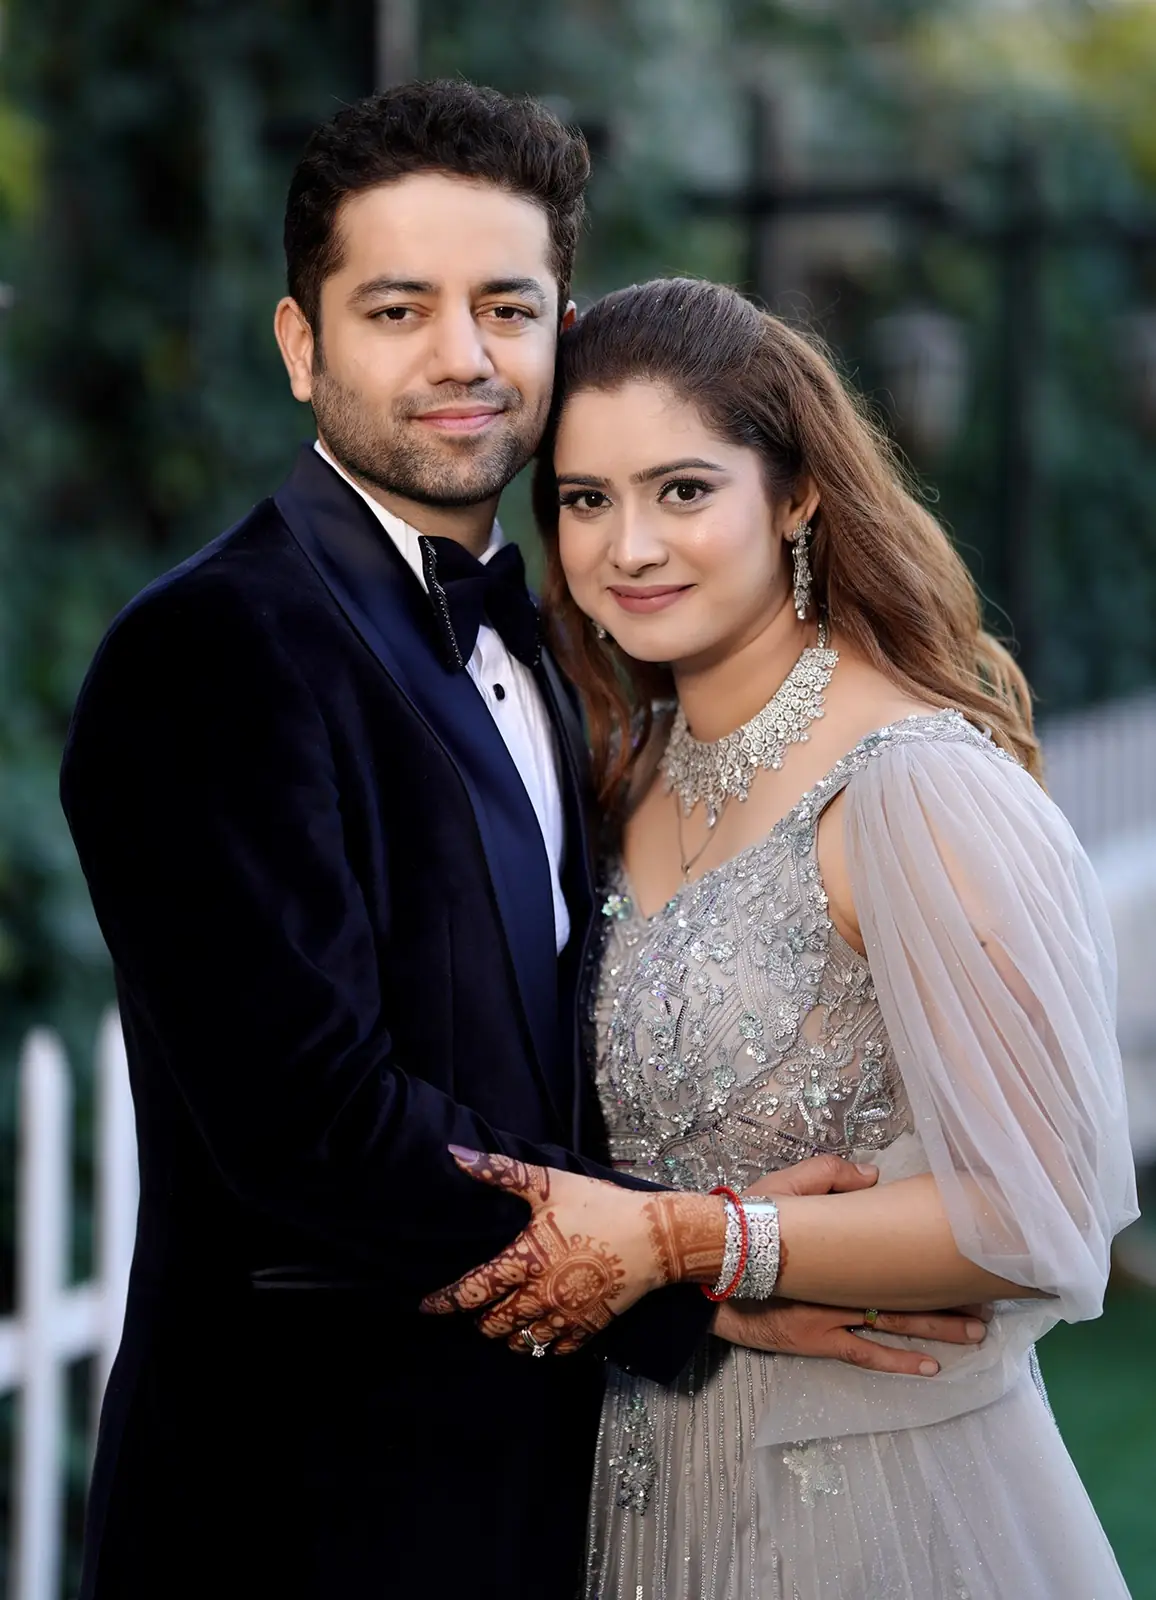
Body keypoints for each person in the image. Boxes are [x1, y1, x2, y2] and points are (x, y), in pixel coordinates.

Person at [58, 90, 978, 1600]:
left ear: (562, 326)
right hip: (298, 1510)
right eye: (397, 309)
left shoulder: (569, 643)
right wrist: (691, 1269)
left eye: (505, 305)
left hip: (550, 1496)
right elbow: (310, 1129)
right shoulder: (209, 651)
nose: (463, 356)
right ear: (300, 345)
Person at [423, 278, 1139, 1599]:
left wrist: (692, 1242)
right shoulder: (624, 773)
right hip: (637, 1484)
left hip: (872, 1497)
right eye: (586, 500)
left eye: (683, 490)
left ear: (797, 495)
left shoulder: (914, 786)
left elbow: (1039, 1215)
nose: (631, 547)